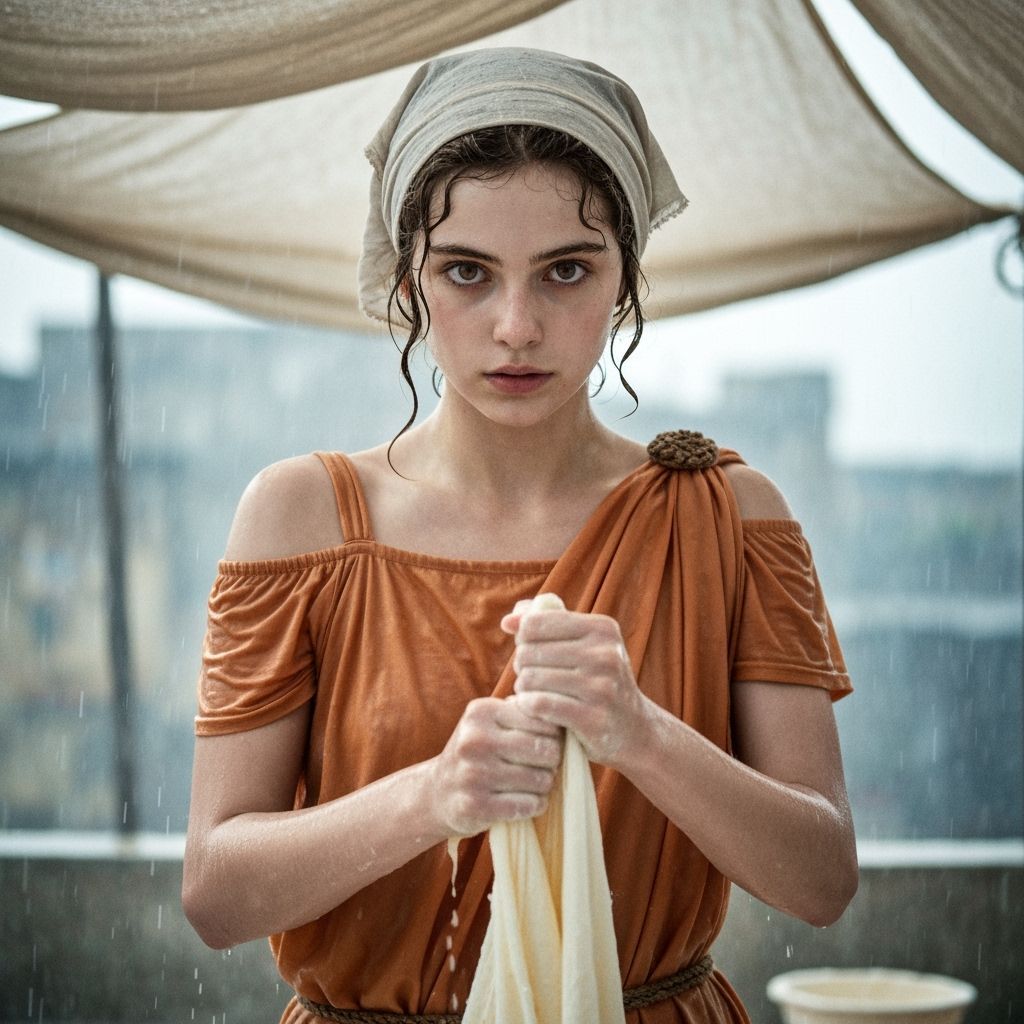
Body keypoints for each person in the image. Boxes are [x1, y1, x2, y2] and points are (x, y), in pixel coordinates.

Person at [183, 47, 857, 1024]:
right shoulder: (302, 516)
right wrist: (432, 796)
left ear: (624, 277)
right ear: (409, 280)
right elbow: (215, 893)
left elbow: (822, 878)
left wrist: (641, 732)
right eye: (467, 272)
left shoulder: (728, 514)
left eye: (565, 272)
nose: (515, 326)